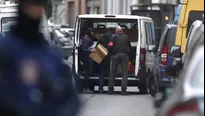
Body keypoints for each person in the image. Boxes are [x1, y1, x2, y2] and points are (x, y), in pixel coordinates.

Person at [0, 0, 80, 116]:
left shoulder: (51, 56)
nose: (34, 11)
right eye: (30, 5)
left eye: (38, 6)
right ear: (22, 7)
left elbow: (71, 100)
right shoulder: (5, 50)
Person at [108, 26, 131, 95]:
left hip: (115, 56)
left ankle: (111, 89)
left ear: (116, 31)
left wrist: (111, 53)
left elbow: (110, 46)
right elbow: (129, 46)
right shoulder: (126, 37)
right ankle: (123, 90)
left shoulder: (113, 37)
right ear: (122, 31)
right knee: (124, 73)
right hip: (124, 55)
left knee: (112, 72)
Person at [80, 28, 96, 93]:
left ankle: (86, 87)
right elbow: (84, 48)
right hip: (86, 57)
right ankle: (85, 88)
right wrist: (91, 50)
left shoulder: (89, 38)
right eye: (91, 32)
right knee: (87, 73)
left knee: (88, 73)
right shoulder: (86, 38)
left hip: (88, 57)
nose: (92, 33)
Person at [98, 29, 113, 93]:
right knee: (111, 73)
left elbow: (98, 47)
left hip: (102, 56)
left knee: (101, 72)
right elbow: (112, 47)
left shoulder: (102, 39)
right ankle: (110, 88)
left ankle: (100, 88)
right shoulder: (112, 39)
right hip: (109, 57)